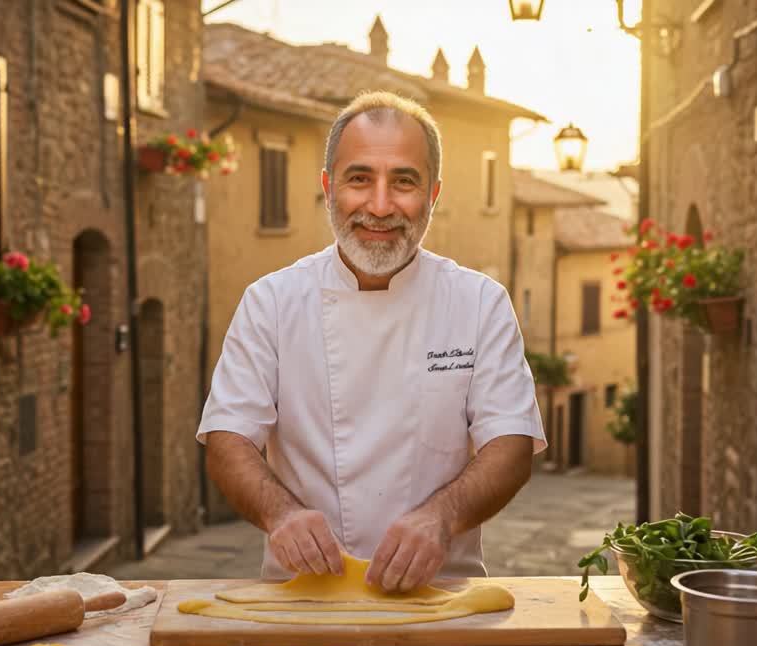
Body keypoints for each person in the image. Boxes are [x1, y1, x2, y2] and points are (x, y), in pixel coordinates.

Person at [197, 91, 546, 593]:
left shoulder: (480, 302)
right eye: (359, 179)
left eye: (404, 181)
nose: (380, 206)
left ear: (433, 195)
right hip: (302, 596)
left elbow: (510, 443)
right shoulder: (270, 302)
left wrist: (441, 518)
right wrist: (281, 515)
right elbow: (228, 439)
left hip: (442, 596)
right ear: (328, 187)